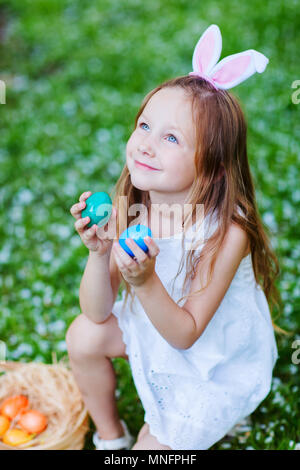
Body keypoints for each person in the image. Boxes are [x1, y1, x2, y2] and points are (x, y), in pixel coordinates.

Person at [67, 24, 289, 450]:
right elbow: (97, 313)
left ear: (213, 168)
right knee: (83, 336)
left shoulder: (228, 231)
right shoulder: (134, 202)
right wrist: (99, 255)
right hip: (154, 334)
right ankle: (110, 438)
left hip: (209, 362)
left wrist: (144, 282)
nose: (146, 145)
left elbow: (187, 335)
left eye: (170, 137)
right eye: (145, 125)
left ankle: (221, 414)